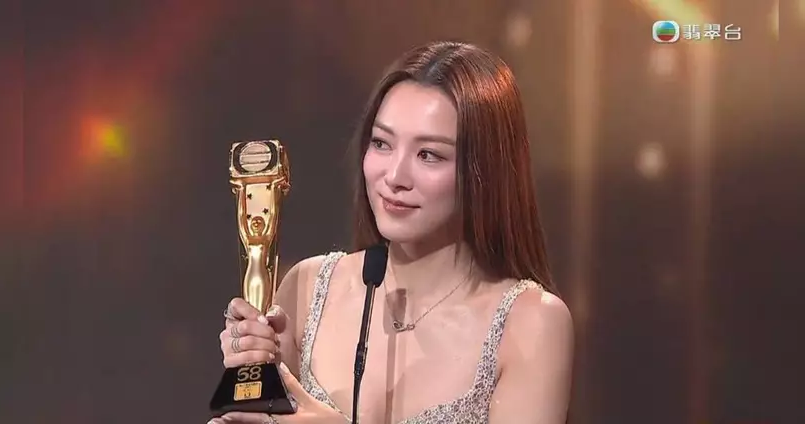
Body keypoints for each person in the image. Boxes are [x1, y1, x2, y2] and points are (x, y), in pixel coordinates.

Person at [212, 40, 574, 424]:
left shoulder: (531, 322)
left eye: (428, 154)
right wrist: (247, 372)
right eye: (382, 143)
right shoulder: (306, 288)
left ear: (484, 171)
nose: (395, 176)